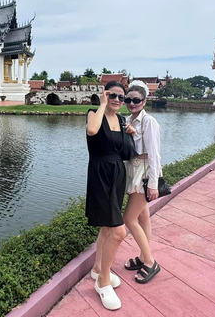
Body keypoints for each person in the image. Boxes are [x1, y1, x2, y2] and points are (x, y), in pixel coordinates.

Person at [86, 81, 128, 311]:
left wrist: (130, 132)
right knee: (118, 231)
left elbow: (123, 151)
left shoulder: (121, 121)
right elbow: (92, 130)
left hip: (117, 175)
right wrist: (102, 104)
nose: (118, 100)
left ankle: (96, 269)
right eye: (113, 95)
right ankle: (102, 282)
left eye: (122, 97)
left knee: (106, 227)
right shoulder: (94, 113)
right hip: (100, 174)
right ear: (105, 94)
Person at [122, 80, 162, 284]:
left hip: (144, 172)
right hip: (134, 168)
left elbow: (154, 154)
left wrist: (153, 182)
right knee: (144, 218)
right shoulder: (130, 120)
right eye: (128, 99)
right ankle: (142, 256)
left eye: (136, 100)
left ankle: (150, 262)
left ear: (144, 101)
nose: (131, 103)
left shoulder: (149, 122)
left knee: (129, 219)